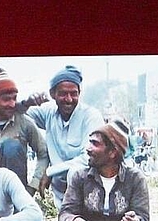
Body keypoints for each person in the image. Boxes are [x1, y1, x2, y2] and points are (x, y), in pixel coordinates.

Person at [19, 65, 105, 208]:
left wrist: (49, 172)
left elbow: (89, 158)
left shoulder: (91, 116)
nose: (69, 99)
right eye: (63, 93)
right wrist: (27, 102)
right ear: (53, 94)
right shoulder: (49, 112)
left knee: (76, 172)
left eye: (74, 93)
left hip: (89, 191)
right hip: (61, 195)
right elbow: (19, 115)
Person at [0, 65, 49, 196]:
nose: (12, 104)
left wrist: (34, 184)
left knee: (11, 146)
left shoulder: (24, 122)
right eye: (6, 99)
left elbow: (43, 152)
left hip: (17, 194)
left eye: (14, 98)